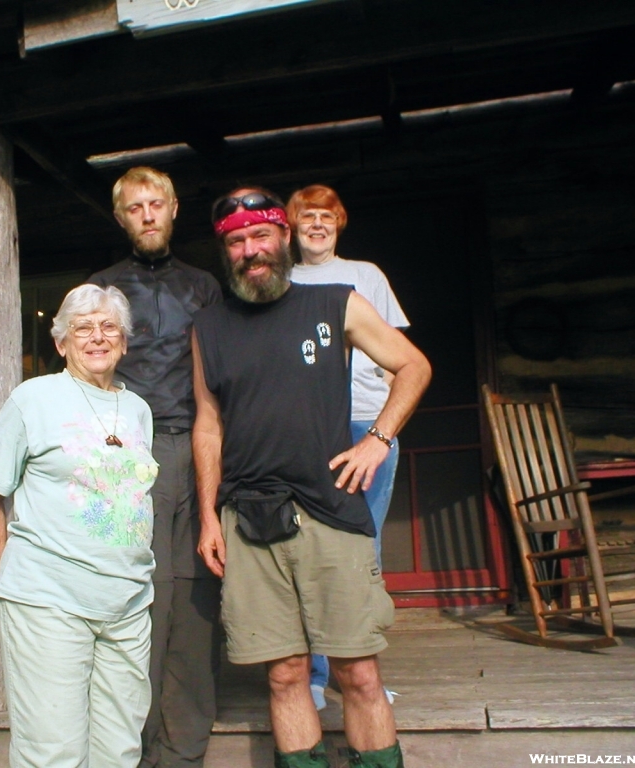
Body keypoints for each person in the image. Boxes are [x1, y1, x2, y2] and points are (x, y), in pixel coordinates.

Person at [192, 189, 431, 768]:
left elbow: (413, 365)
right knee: (284, 673)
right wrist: (207, 517)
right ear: (226, 250)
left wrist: (378, 439)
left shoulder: (336, 302)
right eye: (237, 241)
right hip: (248, 522)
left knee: (358, 671)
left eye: (261, 235)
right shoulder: (208, 327)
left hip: (330, 510)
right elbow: (208, 427)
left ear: (284, 237)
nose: (251, 250)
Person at [0, 284, 159, 768]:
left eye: (108, 326)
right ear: (61, 343)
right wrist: (3, 571)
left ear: (123, 340)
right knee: (54, 752)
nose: (97, 337)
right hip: (48, 598)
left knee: (119, 750)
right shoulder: (33, 398)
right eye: (82, 328)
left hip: (129, 601)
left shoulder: (137, 409)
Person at [89, 166, 223, 768]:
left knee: (194, 599)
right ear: (121, 219)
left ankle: (184, 750)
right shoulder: (102, 290)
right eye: (134, 207)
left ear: (173, 210)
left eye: (156, 204)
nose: (147, 215)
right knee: (139, 598)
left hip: (193, 445)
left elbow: (224, 378)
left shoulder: (204, 287)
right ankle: (133, 748)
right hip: (126, 454)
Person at [287, 184, 410, 711]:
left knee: (364, 550)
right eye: (308, 216)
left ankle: (357, 673)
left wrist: (382, 421)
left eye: (327, 217)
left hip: (365, 425)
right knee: (309, 550)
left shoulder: (366, 275)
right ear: (291, 226)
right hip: (305, 427)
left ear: (339, 225)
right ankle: (314, 673)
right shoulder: (282, 280)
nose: (317, 225)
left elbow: (397, 351)